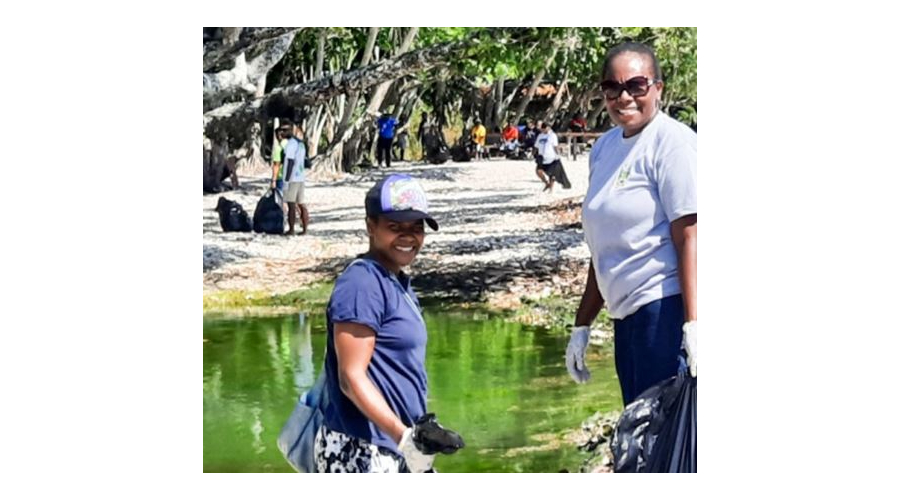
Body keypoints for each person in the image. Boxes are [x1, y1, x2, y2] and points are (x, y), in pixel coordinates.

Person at [565, 41, 697, 407]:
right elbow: (603, 247)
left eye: (636, 85)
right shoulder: (605, 148)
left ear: (657, 88)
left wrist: (694, 324)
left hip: (664, 309)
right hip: (625, 316)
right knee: (638, 432)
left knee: (666, 441)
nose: (624, 97)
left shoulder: (672, 144)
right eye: (613, 87)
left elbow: (691, 236)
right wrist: (582, 323)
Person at [315, 174, 448, 473]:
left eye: (416, 227)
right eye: (395, 227)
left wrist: (421, 431)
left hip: (396, 442)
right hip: (361, 449)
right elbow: (351, 378)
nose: (408, 236)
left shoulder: (396, 280)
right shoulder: (362, 283)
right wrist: (404, 439)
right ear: (370, 227)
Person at [281, 122, 309, 235]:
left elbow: (290, 162)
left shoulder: (291, 144)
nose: (282, 133)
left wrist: (286, 180)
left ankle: (291, 229)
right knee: (301, 204)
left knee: (291, 205)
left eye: (284, 130)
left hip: (292, 178)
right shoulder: (301, 144)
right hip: (301, 177)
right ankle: (305, 228)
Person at [534, 122, 561, 191]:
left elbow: (555, 146)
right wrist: (534, 153)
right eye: (542, 129)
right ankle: (546, 183)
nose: (543, 130)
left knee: (551, 173)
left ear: (548, 128)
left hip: (551, 157)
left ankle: (551, 188)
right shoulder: (540, 135)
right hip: (541, 157)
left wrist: (558, 154)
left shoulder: (552, 135)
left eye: (544, 129)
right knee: (538, 171)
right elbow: (536, 146)